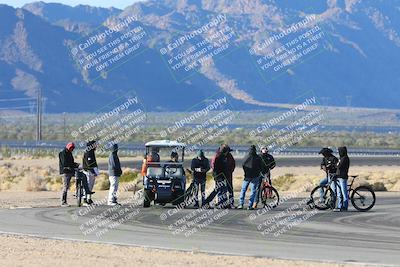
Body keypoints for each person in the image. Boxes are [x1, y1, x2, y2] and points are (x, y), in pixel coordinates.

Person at [59, 142, 93, 207]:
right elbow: (64, 163)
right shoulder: (62, 153)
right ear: (68, 147)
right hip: (65, 172)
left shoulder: (69, 153)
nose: (72, 149)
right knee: (66, 186)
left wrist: (78, 165)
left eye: (73, 148)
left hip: (71, 170)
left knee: (83, 175)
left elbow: (71, 163)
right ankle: (63, 202)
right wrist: (71, 166)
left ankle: (84, 190)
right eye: (71, 148)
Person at [238, 145, 263, 210]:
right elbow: (261, 166)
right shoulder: (258, 157)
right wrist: (258, 172)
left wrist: (246, 172)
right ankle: (250, 205)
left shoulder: (246, 157)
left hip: (247, 176)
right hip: (255, 176)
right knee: (253, 191)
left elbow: (243, 165)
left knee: (243, 190)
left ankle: (241, 204)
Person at [82, 140, 98, 205]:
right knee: (87, 185)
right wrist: (93, 171)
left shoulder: (91, 151)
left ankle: (89, 199)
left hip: (91, 171)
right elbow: (89, 164)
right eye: (95, 145)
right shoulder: (88, 152)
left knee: (90, 186)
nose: (96, 146)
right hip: (88, 171)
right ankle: (85, 200)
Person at [334, 146, 350, 211]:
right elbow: (337, 165)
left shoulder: (345, 158)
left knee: (344, 193)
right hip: (339, 177)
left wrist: (337, 164)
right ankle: (339, 206)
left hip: (343, 177)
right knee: (339, 193)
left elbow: (339, 166)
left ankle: (345, 206)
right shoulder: (341, 158)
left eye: (339, 151)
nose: (338, 153)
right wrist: (337, 164)